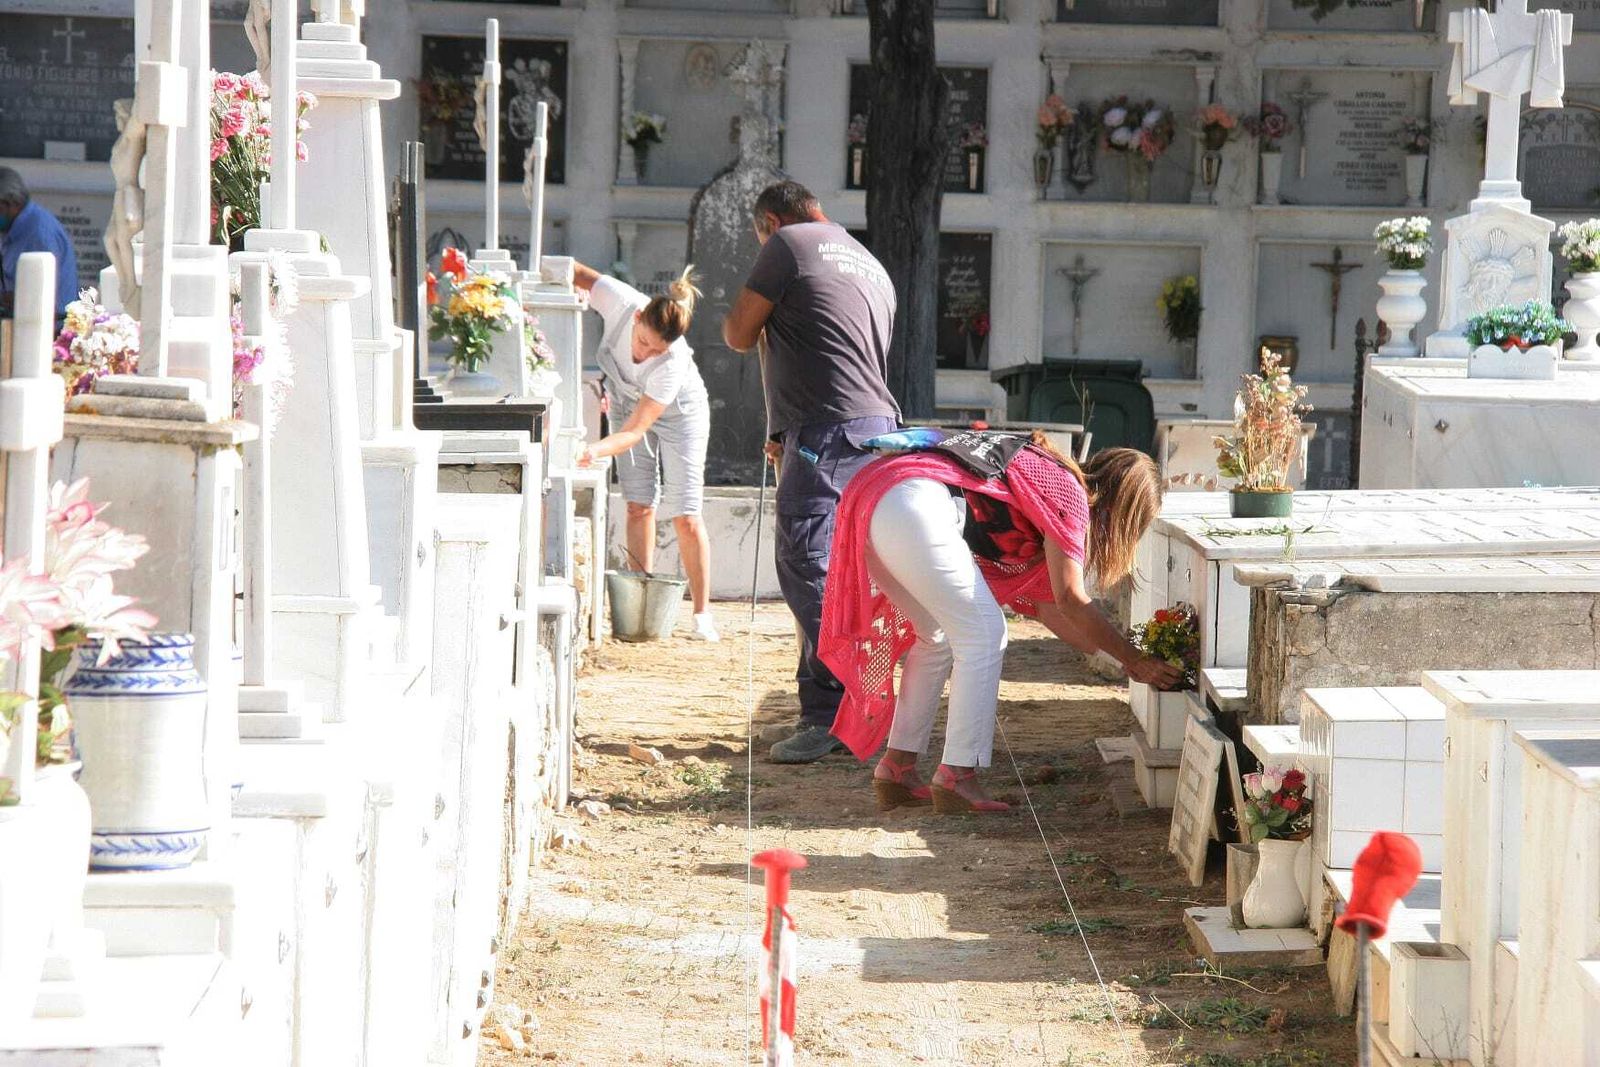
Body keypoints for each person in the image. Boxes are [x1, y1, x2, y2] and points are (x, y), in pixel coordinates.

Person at [819, 433, 1185, 813]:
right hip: (915, 503)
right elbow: (1072, 600)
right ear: (1122, 508)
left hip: (881, 498)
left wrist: (1121, 661)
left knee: (937, 638)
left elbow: (1051, 610)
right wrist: (1135, 660)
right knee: (984, 636)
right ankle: (957, 776)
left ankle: (897, 770)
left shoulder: (1052, 482)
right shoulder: (1071, 497)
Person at [722, 180, 901, 764]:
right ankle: (827, 710)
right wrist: (783, 428)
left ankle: (846, 711)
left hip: (827, 435)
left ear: (771, 222)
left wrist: (800, 427)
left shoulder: (789, 244)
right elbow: (832, 348)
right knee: (845, 573)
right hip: (876, 430)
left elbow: (739, 332)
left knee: (807, 567)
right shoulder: (869, 261)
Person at [576, 260, 719, 642]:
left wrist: (594, 449)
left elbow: (636, 431)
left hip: (679, 415)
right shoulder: (620, 300)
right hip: (625, 396)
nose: (644, 354)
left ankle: (702, 614)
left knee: (685, 512)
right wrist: (559, 284)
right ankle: (639, 601)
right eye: (642, 342)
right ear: (637, 316)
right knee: (638, 503)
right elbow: (573, 270)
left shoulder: (670, 364)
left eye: (656, 350)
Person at [0, 167, 78, 320]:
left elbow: (39, 295)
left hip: (48, 329)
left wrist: (4, 298)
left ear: (8, 204)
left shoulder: (38, 232)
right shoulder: (14, 227)